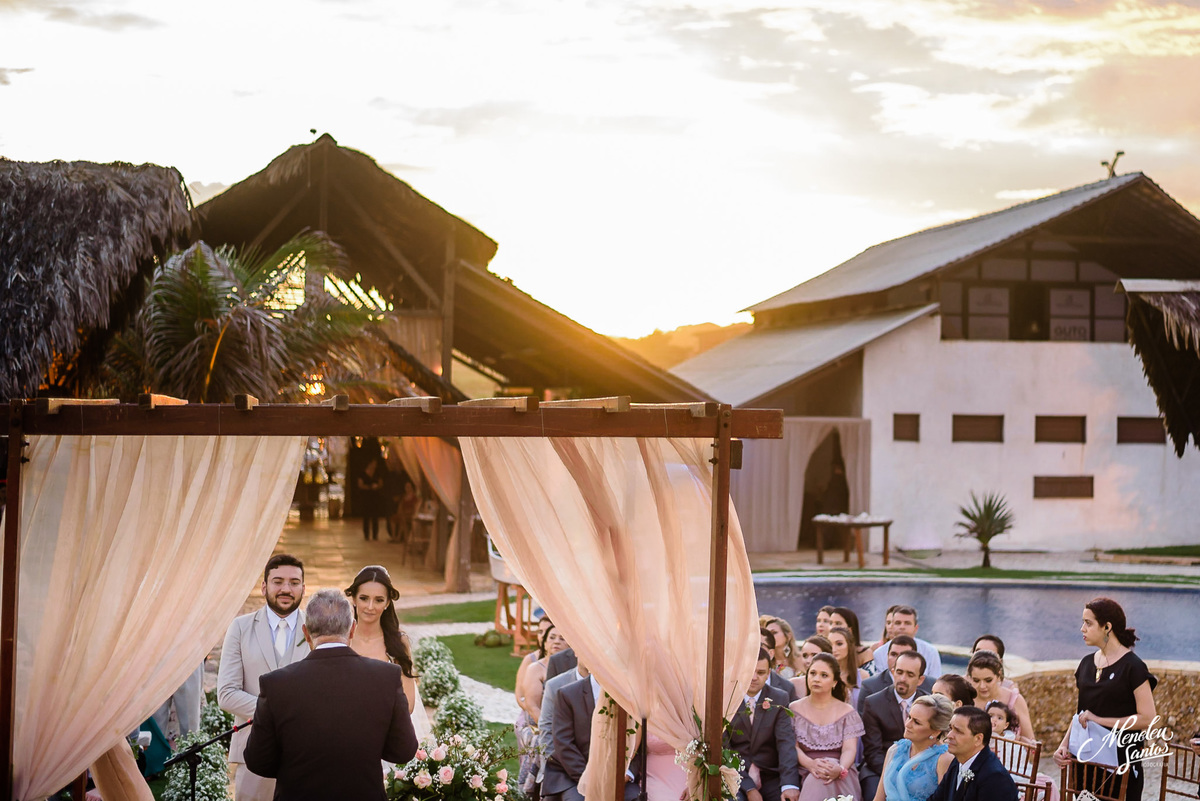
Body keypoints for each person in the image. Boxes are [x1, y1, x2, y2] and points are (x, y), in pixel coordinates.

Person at [243, 589, 418, 800]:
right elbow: (403, 751)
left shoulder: (275, 684)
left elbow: (258, 761)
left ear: (306, 633)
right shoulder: (386, 677)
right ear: (352, 629)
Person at [218, 554, 310, 801]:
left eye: (293, 582)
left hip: (306, 752)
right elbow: (226, 694)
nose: (286, 589)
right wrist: (274, 711)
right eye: (278, 581)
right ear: (264, 586)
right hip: (253, 750)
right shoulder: (240, 627)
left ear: (303, 587)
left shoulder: (316, 629)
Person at [1052, 598, 1157, 801]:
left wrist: (1098, 720)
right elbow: (1080, 714)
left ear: (1107, 627)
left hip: (1120, 764)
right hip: (1085, 763)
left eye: (1088, 623)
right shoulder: (1086, 664)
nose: (1082, 628)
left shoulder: (1133, 667)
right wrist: (1063, 745)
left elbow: (1147, 718)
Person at [344, 565, 429, 741]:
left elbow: (409, 703)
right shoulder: (342, 640)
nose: (370, 606)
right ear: (353, 599)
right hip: (347, 733)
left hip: (387, 736)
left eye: (378, 600)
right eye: (364, 598)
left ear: (388, 603)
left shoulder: (398, 643)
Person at [543, 672, 642, 801]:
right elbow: (564, 743)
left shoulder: (630, 694)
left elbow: (639, 743)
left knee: (635, 798)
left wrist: (626, 774)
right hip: (574, 775)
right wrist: (591, 779)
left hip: (618, 777)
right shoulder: (568, 694)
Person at [727, 648, 801, 801]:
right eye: (749, 671)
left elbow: (785, 743)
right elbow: (725, 749)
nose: (754, 678)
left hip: (770, 775)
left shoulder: (779, 697)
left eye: (760, 673)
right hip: (734, 775)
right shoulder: (726, 698)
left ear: (768, 674)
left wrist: (789, 784)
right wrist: (749, 788)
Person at [791, 653, 865, 801]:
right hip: (806, 768)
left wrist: (841, 769)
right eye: (812, 673)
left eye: (824, 675)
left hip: (841, 770)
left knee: (826, 774)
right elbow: (793, 747)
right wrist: (811, 764)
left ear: (834, 682)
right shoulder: (794, 709)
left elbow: (850, 749)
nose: (816, 679)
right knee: (816, 777)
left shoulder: (847, 712)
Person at [861, 651, 928, 800]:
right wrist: (895, 774)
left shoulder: (929, 705)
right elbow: (873, 752)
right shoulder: (873, 703)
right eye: (899, 672)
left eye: (910, 675)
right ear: (892, 672)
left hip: (921, 767)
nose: (902, 679)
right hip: (880, 768)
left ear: (920, 679)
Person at [872, 694, 954, 801]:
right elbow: (879, 798)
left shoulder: (944, 759)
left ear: (935, 732)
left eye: (916, 722)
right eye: (909, 717)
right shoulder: (895, 750)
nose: (908, 724)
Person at [927, 707, 1017, 801]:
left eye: (958, 731)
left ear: (978, 739)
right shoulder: (957, 762)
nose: (949, 735)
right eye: (951, 728)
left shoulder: (995, 778)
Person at [966, 651, 1033, 741]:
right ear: (969, 677)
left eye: (988, 680)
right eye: (976, 680)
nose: (982, 686)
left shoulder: (1014, 699)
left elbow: (1030, 741)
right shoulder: (964, 699)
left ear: (998, 675)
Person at [859, 636, 934, 714]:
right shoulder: (869, 686)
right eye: (894, 654)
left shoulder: (931, 685)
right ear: (887, 656)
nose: (898, 659)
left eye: (904, 655)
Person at [872, 606, 941, 679]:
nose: (902, 627)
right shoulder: (879, 654)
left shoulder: (930, 652)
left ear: (915, 628)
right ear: (892, 626)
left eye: (907, 623)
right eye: (898, 623)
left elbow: (935, 682)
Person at [829, 626, 868, 708]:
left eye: (839, 644)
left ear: (849, 646)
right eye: (829, 644)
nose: (833, 649)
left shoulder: (863, 676)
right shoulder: (823, 676)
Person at [831, 607, 875, 674]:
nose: (833, 627)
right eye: (830, 623)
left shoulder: (864, 653)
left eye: (838, 623)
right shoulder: (823, 651)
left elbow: (870, 680)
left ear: (850, 629)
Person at [357, 454, 388, 541]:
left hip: (375, 497)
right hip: (366, 497)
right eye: (373, 463)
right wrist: (369, 487)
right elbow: (360, 485)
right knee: (366, 517)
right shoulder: (363, 473)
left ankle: (375, 534)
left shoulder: (377, 473)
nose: (374, 465)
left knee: (375, 517)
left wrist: (377, 486)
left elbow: (381, 483)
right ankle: (366, 534)